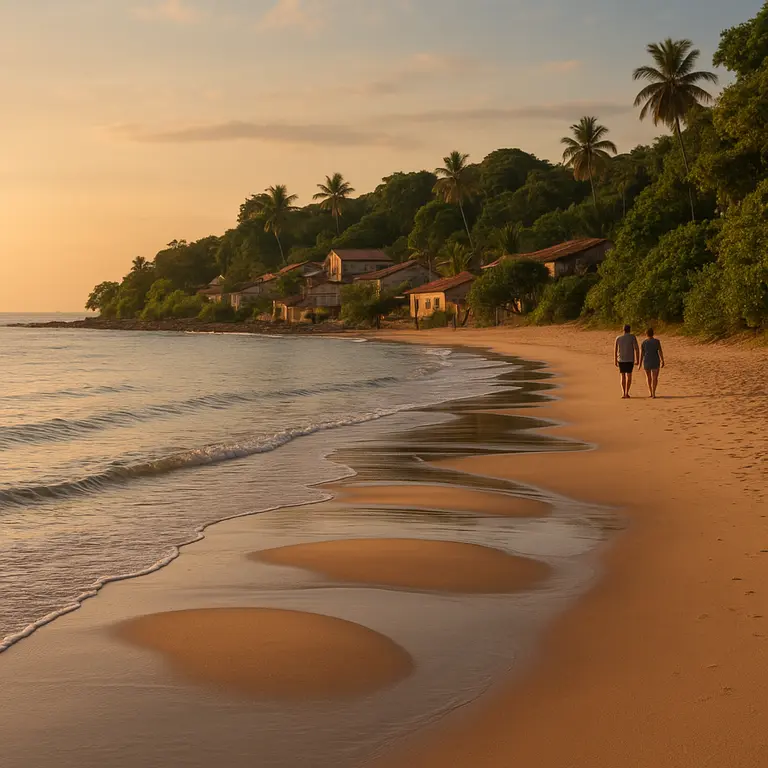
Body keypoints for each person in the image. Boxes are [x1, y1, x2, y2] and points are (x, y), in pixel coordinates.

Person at [614, 324, 640, 399]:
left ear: (623, 330)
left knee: (622, 376)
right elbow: (636, 349)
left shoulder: (618, 338)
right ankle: (627, 392)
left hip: (621, 360)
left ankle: (623, 392)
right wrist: (637, 360)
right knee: (629, 376)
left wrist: (615, 360)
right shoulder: (632, 337)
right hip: (629, 359)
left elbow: (615, 350)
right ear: (630, 330)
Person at [639, 327, 665, 398]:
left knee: (648, 378)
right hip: (655, 361)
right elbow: (660, 351)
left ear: (646, 334)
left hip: (646, 361)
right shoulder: (657, 341)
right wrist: (662, 360)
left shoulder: (644, 342)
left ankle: (650, 392)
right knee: (655, 378)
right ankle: (654, 393)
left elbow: (641, 354)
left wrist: (639, 364)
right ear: (653, 333)